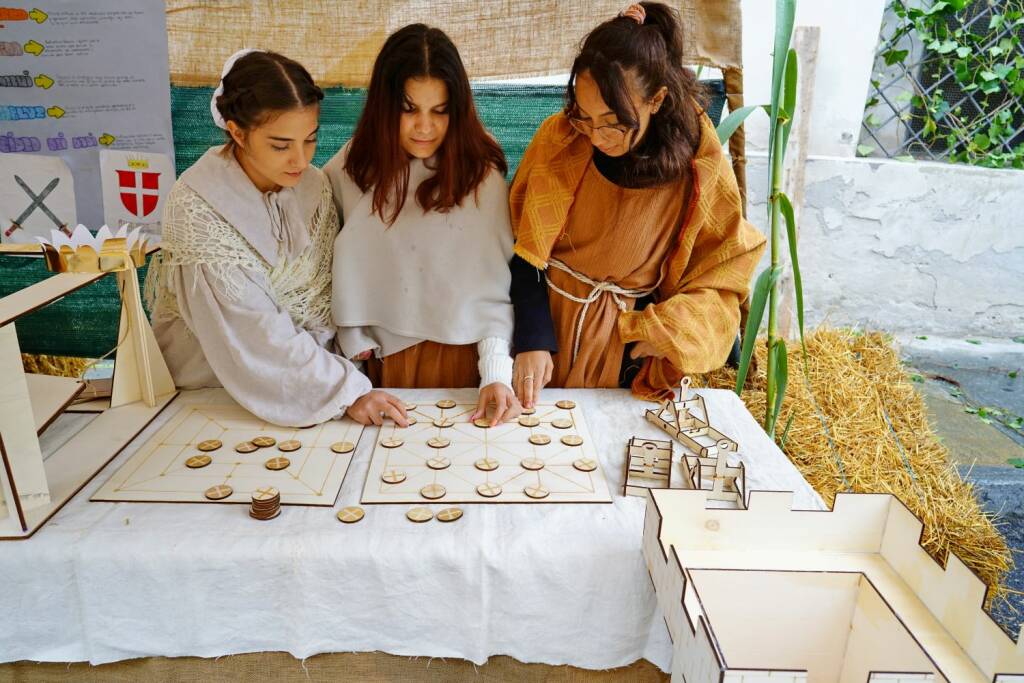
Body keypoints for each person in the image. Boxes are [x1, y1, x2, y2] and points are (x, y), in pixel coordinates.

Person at [509, 2, 766, 408]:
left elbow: (722, 270)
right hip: (548, 335)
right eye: (584, 116)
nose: (596, 136)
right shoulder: (559, 140)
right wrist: (532, 338)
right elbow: (524, 252)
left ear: (657, 99)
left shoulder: (698, 164)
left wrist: (666, 331)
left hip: (630, 348)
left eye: (613, 122)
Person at [146, 49, 408, 427]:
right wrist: (346, 389)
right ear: (237, 131)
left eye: (310, 140)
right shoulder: (197, 206)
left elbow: (323, 299)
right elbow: (250, 332)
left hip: (311, 389)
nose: (300, 160)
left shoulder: (313, 188)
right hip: (209, 397)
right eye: (281, 145)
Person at [325, 24, 521, 424]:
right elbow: (332, 282)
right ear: (384, 105)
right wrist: (353, 379)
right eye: (409, 108)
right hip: (379, 376)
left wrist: (496, 374)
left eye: (440, 111)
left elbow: (492, 291)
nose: (424, 127)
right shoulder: (350, 170)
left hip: (466, 370)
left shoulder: (479, 176)